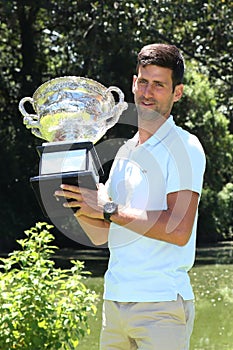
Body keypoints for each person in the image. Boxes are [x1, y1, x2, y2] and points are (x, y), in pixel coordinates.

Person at [55, 43, 206, 350]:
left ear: (177, 93)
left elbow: (178, 230)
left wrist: (107, 207)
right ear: (133, 83)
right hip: (115, 303)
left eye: (159, 85)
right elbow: (101, 234)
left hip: (161, 305)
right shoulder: (125, 152)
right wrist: (75, 197)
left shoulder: (185, 148)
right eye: (143, 82)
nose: (148, 93)